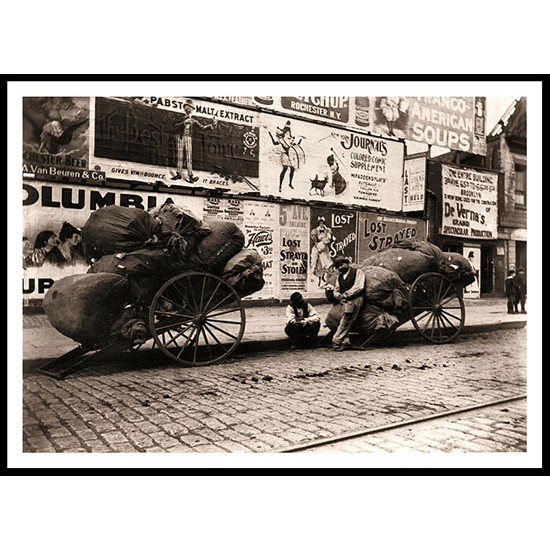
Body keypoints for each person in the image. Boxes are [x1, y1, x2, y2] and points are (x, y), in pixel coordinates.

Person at [324, 255, 365, 351]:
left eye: (341, 265)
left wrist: (346, 294)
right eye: (338, 266)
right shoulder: (340, 276)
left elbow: (359, 286)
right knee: (338, 317)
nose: (340, 267)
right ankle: (346, 341)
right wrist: (337, 295)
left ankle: (336, 341)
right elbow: (337, 289)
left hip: (356, 299)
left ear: (347, 263)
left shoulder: (357, 272)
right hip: (343, 300)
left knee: (347, 319)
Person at [172, 98, 216, 183]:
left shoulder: (193, 120)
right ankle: (178, 174)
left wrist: (212, 124)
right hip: (180, 137)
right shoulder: (181, 118)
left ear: (192, 110)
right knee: (180, 156)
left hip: (188, 138)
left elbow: (202, 127)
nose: (189, 109)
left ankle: (190, 176)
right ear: (185, 108)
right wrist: (183, 123)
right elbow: (174, 125)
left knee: (189, 157)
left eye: (190, 108)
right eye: (187, 107)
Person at [268, 120, 303, 192]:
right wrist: (271, 135)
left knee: (292, 170)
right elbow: (274, 143)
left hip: (290, 155)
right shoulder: (281, 140)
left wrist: (300, 140)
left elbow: (295, 146)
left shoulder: (290, 139)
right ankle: (280, 186)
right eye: (287, 132)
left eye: (289, 132)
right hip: (286, 156)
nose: (288, 133)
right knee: (284, 170)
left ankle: (290, 183)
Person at [310, 217, 335, 286]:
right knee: (315, 262)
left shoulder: (327, 230)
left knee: (327, 262)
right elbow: (315, 240)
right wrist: (317, 248)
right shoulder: (316, 230)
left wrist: (326, 239)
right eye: (320, 222)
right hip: (318, 247)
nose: (321, 224)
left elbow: (329, 238)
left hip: (324, 248)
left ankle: (326, 278)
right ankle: (315, 277)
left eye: (322, 222)